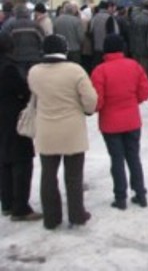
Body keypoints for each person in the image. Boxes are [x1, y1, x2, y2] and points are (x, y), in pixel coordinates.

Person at [28, 34, 97, 230]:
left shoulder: (34, 72)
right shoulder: (75, 71)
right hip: (72, 129)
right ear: (64, 49)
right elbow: (90, 99)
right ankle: (77, 214)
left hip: (46, 129)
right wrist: (86, 110)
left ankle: (51, 218)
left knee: (48, 175)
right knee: (74, 176)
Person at [91, 34, 148, 210]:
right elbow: (145, 91)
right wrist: (134, 101)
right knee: (134, 157)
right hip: (132, 119)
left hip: (110, 122)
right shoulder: (134, 66)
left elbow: (98, 100)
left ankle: (120, 197)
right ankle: (140, 194)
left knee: (116, 159)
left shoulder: (100, 71)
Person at [0, 34, 41, 222]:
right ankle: (20, 207)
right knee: (22, 161)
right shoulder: (8, 67)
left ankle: (7, 202)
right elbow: (22, 91)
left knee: (5, 160)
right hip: (12, 118)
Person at [1, 3, 44, 76]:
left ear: (15, 13)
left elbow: (6, 41)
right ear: (27, 13)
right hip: (34, 57)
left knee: (21, 79)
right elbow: (42, 40)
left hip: (17, 58)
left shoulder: (11, 26)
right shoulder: (35, 25)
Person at [131, 1, 148, 82]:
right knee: (146, 71)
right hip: (146, 50)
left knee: (136, 70)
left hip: (135, 49)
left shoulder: (135, 18)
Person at [90, 0, 119, 69]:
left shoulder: (94, 17)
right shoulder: (109, 18)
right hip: (107, 49)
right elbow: (114, 33)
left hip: (96, 48)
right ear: (107, 8)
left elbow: (91, 32)